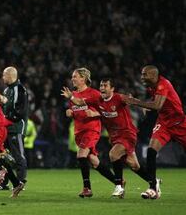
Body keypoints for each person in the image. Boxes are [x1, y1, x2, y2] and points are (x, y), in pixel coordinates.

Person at [122, 65, 184, 199]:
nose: (142, 77)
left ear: (153, 75)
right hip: (164, 123)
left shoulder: (163, 84)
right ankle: (152, 188)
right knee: (151, 151)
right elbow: (156, 102)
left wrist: (136, 102)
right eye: (142, 74)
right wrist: (146, 104)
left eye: (145, 74)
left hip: (179, 123)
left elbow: (157, 105)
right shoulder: (152, 86)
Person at [82, 78, 151, 198]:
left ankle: (118, 185)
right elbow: (81, 102)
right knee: (134, 165)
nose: (102, 88)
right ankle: (154, 182)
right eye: (101, 85)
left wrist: (144, 106)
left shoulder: (119, 98)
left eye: (105, 85)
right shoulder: (98, 100)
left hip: (127, 134)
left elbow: (131, 100)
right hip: (115, 137)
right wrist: (72, 97)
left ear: (112, 88)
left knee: (113, 154)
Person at [61, 67, 115, 198]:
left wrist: (94, 113)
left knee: (81, 155)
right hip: (79, 131)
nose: (72, 78)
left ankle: (87, 188)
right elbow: (76, 110)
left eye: (75, 76)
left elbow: (106, 111)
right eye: (72, 76)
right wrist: (70, 113)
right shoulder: (73, 95)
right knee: (93, 161)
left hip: (91, 130)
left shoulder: (94, 94)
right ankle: (118, 182)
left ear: (83, 78)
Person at [0, 66, 29, 186]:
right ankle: (4, 182)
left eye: (4, 75)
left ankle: (20, 182)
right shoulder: (6, 91)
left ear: (10, 76)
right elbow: (4, 109)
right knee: (4, 155)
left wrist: (5, 118)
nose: (2, 77)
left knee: (18, 155)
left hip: (16, 128)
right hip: (6, 128)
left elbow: (21, 112)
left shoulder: (20, 89)